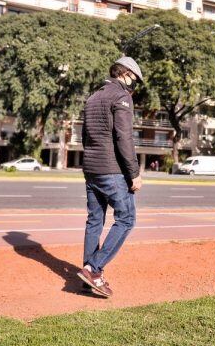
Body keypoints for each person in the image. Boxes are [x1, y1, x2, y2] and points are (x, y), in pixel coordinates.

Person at [77, 56, 144, 297]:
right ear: (125, 74)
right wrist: (134, 173)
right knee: (126, 219)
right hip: (112, 171)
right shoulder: (121, 97)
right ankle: (93, 270)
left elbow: (85, 135)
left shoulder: (93, 97)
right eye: (134, 79)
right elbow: (123, 138)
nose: (133, 85)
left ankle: (87, 275)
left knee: (94, 221)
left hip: (91, 168)